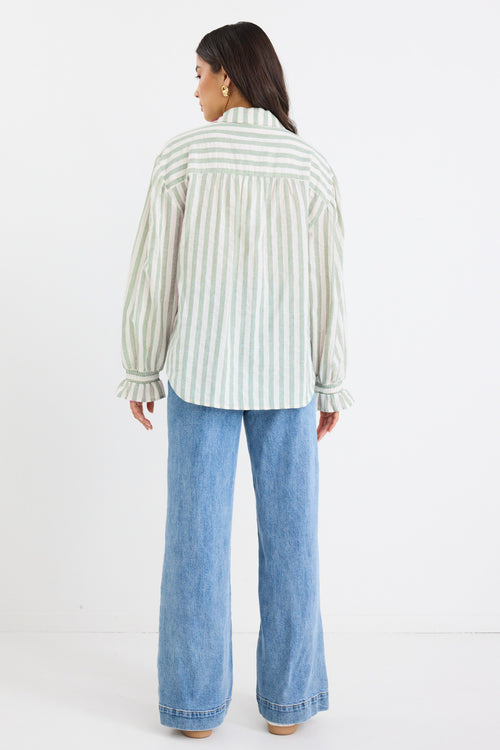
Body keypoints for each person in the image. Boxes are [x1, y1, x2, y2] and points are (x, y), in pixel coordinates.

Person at [115, 21, 354, 739]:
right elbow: (329, 288)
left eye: (198, 74)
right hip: (287, 380)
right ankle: (288, 708)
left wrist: (141, 368)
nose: (195, 90)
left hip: (201, 377)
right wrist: (330, 381)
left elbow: (154, 272)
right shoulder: (310, 166)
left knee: (194, 545)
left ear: (227, 74)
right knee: (293, 543)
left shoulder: (183, 157)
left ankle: (195, 709)